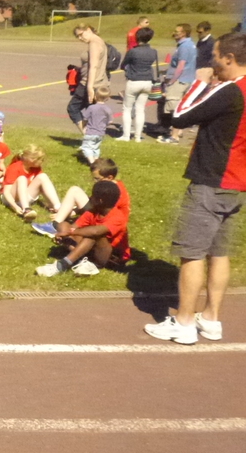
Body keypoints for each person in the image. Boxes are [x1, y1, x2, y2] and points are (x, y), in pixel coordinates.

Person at [145, 32, 246, 345]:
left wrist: (199, 84)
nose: (212, 61)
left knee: (192, 254)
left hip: (211, 181)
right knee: (219, 252)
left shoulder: (231, 90)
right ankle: (211, 317)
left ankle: (185, 322)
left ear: (229, 58)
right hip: (236, 183)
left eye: (215, 56)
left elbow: (180, 117)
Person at [35, 180, 130, 277]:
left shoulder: (118, 217)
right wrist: (64, 234)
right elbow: (74, 227)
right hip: (93, 249)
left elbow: (96, 231)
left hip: (112, 258)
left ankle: (61, 265)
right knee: (63, 225)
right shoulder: (93, 212)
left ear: (100, 201)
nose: (90, 198)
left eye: (93, 196)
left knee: (92, 235)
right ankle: (81, 259)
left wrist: (70, 233)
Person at [32, 158, 130, 237]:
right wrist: (74, 211)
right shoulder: (106, 186)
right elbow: (93, 201)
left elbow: (103, 209)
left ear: (109, 177)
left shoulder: (116, 192)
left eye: (97, 178)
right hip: (99, 213)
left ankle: (54, 226)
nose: (94, 181)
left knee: (74, 191)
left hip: (108, 222)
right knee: (75, 190)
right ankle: (58, 220)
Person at [158, 23, 197, 144]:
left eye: (177, 31)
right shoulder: (191, 45)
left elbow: (181, 65)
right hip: (188, 79)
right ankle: (178, 131)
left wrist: (172, 80)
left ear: (184, 33)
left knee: (173, 107)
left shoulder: (184, 46)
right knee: (180, 106)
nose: (174, 33)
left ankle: (174, 136)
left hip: (180, 80)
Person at [1, 144, 61, 221]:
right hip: (10, 198)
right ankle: (26, 209)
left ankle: (58, 207)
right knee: (22, 179)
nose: (42, 162)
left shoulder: (36, 168)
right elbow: (6, 192)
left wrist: (49, 203)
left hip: (24, 196)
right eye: (41, 160)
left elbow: (42, 187)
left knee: (43, 176)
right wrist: (15, 207)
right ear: (32, 160)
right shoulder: (14, 167)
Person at [118, 27, 158, 142]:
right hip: (147, 81)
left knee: (127, 108)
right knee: (140, 109)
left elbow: (123, 65)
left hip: (134, 80)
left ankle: (126, 135)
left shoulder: (133, 51)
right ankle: (137, 136)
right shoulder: (153, 52)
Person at [69, 25, 107, 128]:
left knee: (73, 108)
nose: (80, 38)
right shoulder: (100, 41)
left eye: (81, 34)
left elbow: (93, 66)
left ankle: (88, 134)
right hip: (98, 82)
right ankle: (93, 134)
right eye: (78, 37)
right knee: (92, 112)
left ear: (88, 30)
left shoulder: (94, 43)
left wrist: (90, 87)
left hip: (89, 83)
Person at [79, 86, 111, 164]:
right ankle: (97, 160)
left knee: (86, 147)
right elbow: (110, 121)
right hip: (101, 133)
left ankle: (92, 162)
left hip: (90, 132)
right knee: (96, 148)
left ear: (95, 97)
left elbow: (85, 118)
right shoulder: (108, 109)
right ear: (107, 98)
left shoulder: (91, 108)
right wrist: (104, 125)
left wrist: (84, 127)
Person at [195, 21, 215, 85]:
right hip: (199, 70)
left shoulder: (211, 43)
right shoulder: (200, 41)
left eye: (200, 32)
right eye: (197, 32)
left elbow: (213, 59)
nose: (198, 34)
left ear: (207, 31)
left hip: (206, 71)